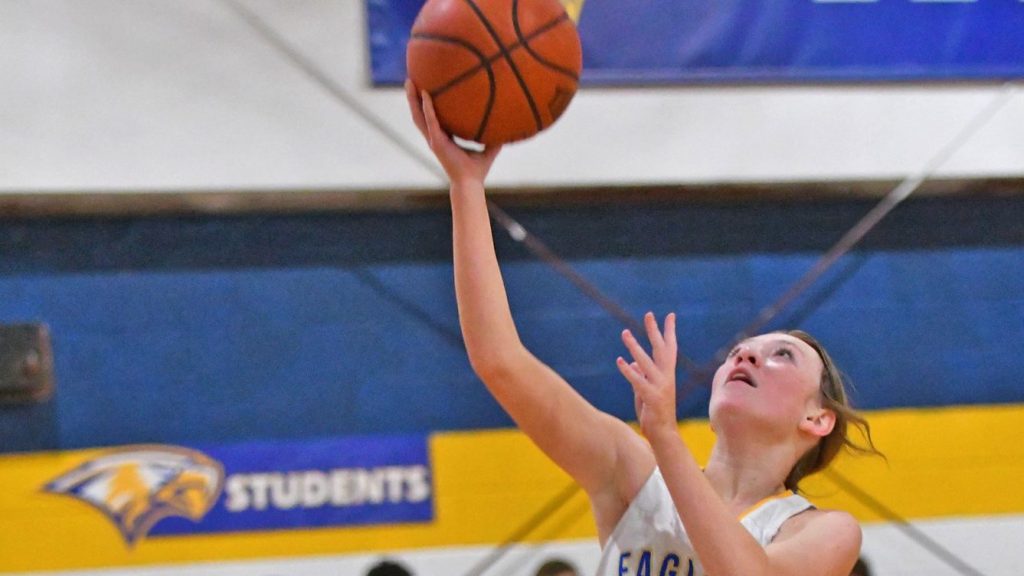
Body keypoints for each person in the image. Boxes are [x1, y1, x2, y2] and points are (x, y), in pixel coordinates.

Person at [405, 81, 881, 576]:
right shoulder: (630, 473)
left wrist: (666, 437)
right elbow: (499, 359)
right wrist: (466, 186)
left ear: (818, 418)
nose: (746, 355)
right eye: (739, 351)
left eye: (782, 355)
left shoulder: (823, 531)